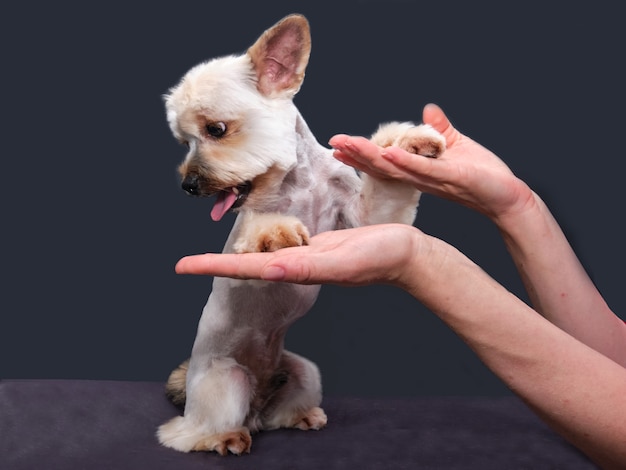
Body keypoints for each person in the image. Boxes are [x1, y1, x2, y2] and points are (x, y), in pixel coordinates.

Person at [174, 104, 626, 468]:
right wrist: (517, 205)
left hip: (273, 357)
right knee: (232, 391)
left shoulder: (322, 171)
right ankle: (208, 418)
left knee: (304, 380)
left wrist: (420, 257)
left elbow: (371, 224)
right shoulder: (262, 192)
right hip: (232, 360)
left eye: (216, 130)